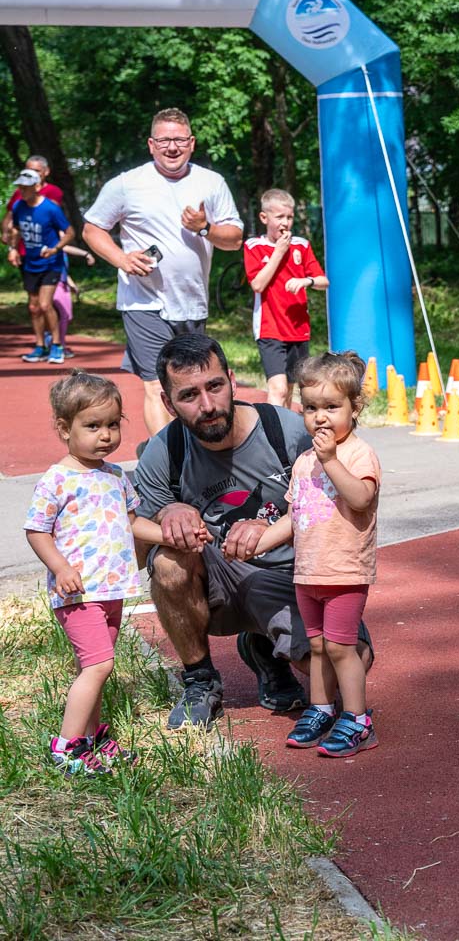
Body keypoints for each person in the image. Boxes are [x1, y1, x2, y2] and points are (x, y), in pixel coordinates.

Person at [131, 333, 373, 729]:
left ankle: (263, 646)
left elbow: (349, 508)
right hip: (219, 579)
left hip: (292, 577)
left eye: (215, 386)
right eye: (189, 395)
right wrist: (166, 515)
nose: (208, 405)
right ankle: (200, 681)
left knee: (352, 663)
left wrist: (272, 527)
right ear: (168, 403)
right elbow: (136, 558)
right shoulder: (164, 452)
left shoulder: (289, 430)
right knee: (168, 564)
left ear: (232, 380)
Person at [81, 108, 244, 436]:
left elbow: (235, 239)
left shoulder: (211, 182)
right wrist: (122, 259)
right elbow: (92, 229)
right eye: (164, 140)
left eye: (179, 140)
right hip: (144, 302)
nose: (172, 147)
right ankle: (167, 459)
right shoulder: (127, 184)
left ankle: (192, 451)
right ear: (151, 144)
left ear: (192, 143)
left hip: (192, 303)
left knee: (192, 383)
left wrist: (205, 228)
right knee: (157, 385)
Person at [255, 352, 381, 757]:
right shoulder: (304, 462)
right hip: (307, 572)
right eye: (310, 408)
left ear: (354, 407)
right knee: (318, 647)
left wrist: (331, 461)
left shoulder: (358, 454)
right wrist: (257, 544)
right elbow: (294, 517)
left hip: (344, 571)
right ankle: (322, 708)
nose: (320, 417)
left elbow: (361, 498)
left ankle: (358, 720)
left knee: (342, 647)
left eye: (331, 407)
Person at [25, 372, 142, 774]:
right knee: (99, 665)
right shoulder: (57, 480)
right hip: (78, 593)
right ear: (64, 428)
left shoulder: (116, 476)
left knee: (94, 668)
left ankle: (91, 739)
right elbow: (37, 530)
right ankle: (66, 747)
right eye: (92, 426)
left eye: (113, 424)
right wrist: (60, 567)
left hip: (111, 590)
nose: (105, 435)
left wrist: (172, 536)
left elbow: (133, 523)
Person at [243, 189, 328, 408]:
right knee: (278, 389)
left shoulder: (302, 245)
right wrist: (279, 252)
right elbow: (257, 284)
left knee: (290, 389)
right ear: (264, 218)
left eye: (289, 217)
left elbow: (323, 281)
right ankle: (272, 429)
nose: (285, 223)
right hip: (269, 327)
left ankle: (285, 428)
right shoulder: (254, 246)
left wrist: (306, 281)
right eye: (279, 217)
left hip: (298, 328)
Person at [10, 168, 73, 364]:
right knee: (34, 307)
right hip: (31, 263)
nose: (22, 190)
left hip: (51, 263)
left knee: (45, 305)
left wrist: (55, 249)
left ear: (37, 187)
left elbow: (70, 233)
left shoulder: (50, 208)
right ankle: (40, 346)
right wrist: (12, 249)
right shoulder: (18, 206)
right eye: (20, 187)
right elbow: (16, 229)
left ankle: (57, 345)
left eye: (26, 187)